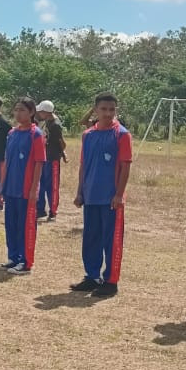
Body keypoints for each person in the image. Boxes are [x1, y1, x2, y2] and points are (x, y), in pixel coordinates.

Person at [71, 92, 133, 298]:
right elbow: (83, 165)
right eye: (104, 109)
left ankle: (111, 281)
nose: (108, 113)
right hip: (91, 195)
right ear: (95, 110)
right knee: (91, 237)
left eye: (112, 109)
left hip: (110, 199)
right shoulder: (88, 135)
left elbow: (125, 167)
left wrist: (119, 194)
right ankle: (92, 276)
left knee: (111, 240)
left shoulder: (122, 135)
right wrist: (80, 192)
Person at [0, 98, 46, 275]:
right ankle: (13, 257)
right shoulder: (12, 133)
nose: (18, 113)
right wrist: (1, 187)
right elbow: (7, 161)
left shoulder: (36, 134)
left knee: (25, 226)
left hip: (26, 189)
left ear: (32, 112)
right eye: (16, 110)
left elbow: (39, 162)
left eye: (23, 110)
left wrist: (34, 189)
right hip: (11, 187)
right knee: (11, 224)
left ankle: (25, 262)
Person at [35, 100, 66, 221]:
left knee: (52, 185)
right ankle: (40, 209)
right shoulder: (47, 122)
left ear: (45, 112)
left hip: (52, 158)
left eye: (41, 112)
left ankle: (53, 210)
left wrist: (63, 154)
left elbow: (61, 143)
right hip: (44, 157)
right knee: (41, 183)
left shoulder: (55, 125)